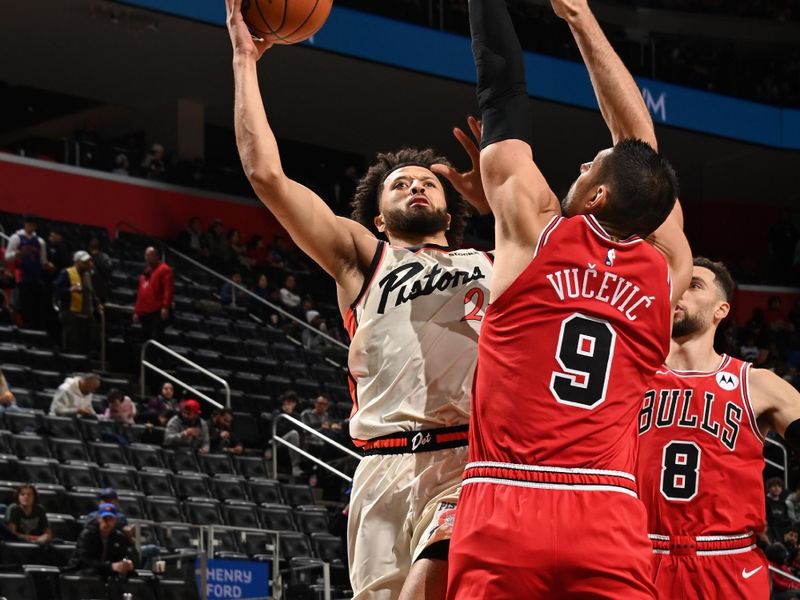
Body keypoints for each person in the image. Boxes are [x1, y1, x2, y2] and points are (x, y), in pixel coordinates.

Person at [226, 1, 493, 595]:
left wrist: (500, 200)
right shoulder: (363, 258)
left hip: (467, 462)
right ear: (378, 216)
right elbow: (266, 176)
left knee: (434, 581)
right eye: (402, 184)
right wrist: (246, 59)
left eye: (428, 181)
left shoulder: (495, 262)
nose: (418, 185)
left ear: (453, 208)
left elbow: (560, 229)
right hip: (380, 467)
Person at [446, 1, 692, 598]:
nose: (582, 163)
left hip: (506, 500)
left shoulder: (534, 229)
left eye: (591, 166)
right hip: (606, 509)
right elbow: (642, 154)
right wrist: (580, 17)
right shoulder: (666, 269)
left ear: (599, 194)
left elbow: (500, 88)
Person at [635, 259, 783, 598]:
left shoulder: (756, 384)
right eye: (676, 283)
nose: (678, 293)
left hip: (726, 562)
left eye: (694, 285)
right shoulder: (628, 375)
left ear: (721, 310)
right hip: (639, 556)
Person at [68, 502, 137, 597]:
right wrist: (110, 566)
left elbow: (123, 556)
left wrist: (128, 564)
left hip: (105, 573)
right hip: (83, 572)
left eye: (110, 519)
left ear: (115, 520)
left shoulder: (118, 537)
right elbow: (84, 560)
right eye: (104, 519)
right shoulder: (87, 535)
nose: (107, 523)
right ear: (99, 518)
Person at [5, 214, 50, 329]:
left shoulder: (40, 242)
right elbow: (7, 257)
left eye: (33, 225)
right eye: (29, 225)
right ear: (25, 224)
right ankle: (23, 327)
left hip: (36, 276)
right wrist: (16, 254)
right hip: (22, 275)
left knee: (35, 306)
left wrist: (47, 265)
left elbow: (43, 260)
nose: (31, 227)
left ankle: (33, 328)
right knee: (23, 304)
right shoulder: (17, 238)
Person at [53, 250, 98, 355]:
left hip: (86, 314)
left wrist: (97, 303)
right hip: (71, 313)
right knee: (73, 344)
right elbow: (57, 290)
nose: (88, 264)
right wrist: (69, 290)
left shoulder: (88, 275)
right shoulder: (67, 273)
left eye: (89, 262)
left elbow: (91, 292)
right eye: (85, 262)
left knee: (87, 343)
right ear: (77, 262)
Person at [133, 247, 174, 343]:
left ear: (156, 256)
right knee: (145, 339)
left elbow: (168, 290)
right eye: (145, 255)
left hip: (157, 312)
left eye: (149, 255)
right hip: (145, 313)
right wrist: (136, 311)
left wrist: (165, 307)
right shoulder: (145, 273)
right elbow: (140, 294)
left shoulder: (165, 270)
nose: (146, 258)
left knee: (156, 339)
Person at [88, 237, 113, 305]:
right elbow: (109, 273)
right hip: (101, 291)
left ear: (90, 247)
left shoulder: (87, 258)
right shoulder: (105, 257)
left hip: (91, 290)